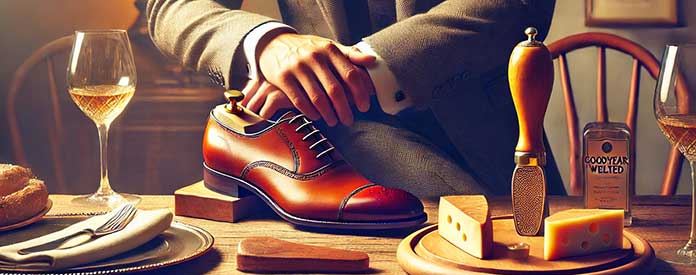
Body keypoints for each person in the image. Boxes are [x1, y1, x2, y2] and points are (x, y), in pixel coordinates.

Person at [146, 0, 566, 197]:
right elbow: (172, 7)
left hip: (488, 164)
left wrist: (345, 72)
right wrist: (269, 44)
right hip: (322, 161)